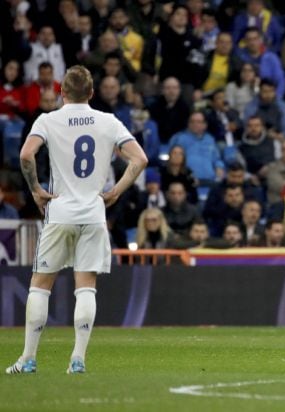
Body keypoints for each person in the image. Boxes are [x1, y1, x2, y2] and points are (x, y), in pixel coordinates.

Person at [7, 66, 148, 375]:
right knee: (86, 288)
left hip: (59, 214)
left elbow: (26, 155)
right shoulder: (108, 121)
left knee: (40, 286)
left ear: (62, 92)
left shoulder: (48, 120)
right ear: (92, 93)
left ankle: (29, 359)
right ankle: (78, 359)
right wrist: (115, 192)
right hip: (93, 215)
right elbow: (140, 159)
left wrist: (36, 190)